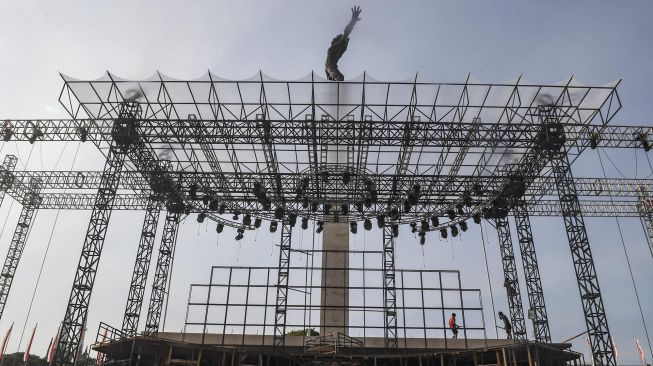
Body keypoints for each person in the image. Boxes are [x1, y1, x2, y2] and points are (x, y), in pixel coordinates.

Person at [325, 6, 362, 81]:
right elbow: (346, 32)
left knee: (336, 81)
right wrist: (353, 21)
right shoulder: (337, 45)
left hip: (329, 67)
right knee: (339, 78)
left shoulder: (337, 47)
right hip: (330, 66)